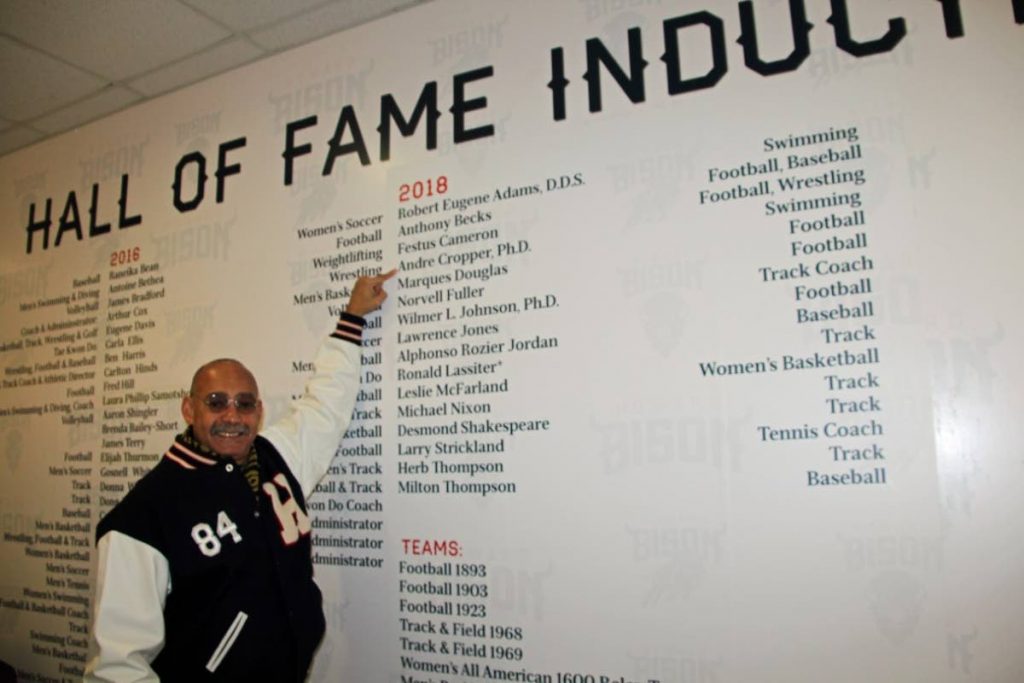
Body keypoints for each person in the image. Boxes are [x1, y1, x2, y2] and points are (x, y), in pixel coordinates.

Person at [84, 270, 396, 682]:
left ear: (259, 411)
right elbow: (117, 666)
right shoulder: (143, 518)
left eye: (244, 403)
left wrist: (353, 317)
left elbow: (325, 406)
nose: (232, 415)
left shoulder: (275, 459)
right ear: (189, 410)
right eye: (216, 402)